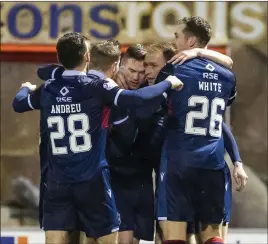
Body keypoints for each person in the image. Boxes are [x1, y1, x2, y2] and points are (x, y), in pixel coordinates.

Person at [12, 34, 183, 244]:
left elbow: (18, 104)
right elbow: (137, 99)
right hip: (91, 179)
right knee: (107, 238)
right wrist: (168, 83)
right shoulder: (96, 86)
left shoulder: (49, 87)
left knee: (56, 239)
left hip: (57, 181)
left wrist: (25, 87)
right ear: (86, 57)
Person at [156, 16, 248, 244]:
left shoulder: (174, 69)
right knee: (212, 235)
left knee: (174, 236)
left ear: (191, 40)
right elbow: (220, 113)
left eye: (177, 36)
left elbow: (157, 110)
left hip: (179, 162)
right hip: (213, 163)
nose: (174, 40)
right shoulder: (227, 76)